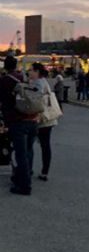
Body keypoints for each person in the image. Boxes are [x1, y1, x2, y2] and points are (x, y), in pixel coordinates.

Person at [0, 56, 40, 195]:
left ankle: (24, 186)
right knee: (28, 151)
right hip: (32, 119)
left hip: (17, 121)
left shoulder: (5, 80)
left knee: (20, 155)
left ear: (5, 66)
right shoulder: (23, 76)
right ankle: (23, 175)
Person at [31, 64, 60, 181]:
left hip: (43, 119)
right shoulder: (44, 81)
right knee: (45, 145)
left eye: (31, 70)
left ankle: (43, 171)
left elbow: (35, 101)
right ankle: (45, 171)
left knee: (43, 145)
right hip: (49, 118)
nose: (29, 72)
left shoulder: (38, 83)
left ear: (37, 71)